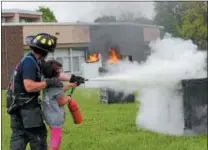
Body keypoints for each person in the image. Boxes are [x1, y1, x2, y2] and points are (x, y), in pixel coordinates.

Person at [6, 33, 85, 150]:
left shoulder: (35, 60)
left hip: (17, 107)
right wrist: (49, 82)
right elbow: (29, 86)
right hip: (26, 110)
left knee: (19, 137)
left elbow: (56, 74)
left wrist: (72, 78)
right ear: (44, 51)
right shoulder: (29, 63)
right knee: (38, 138)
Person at [41, 60, 84, 150]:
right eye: (59, 71)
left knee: (55, 138)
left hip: (48, 115)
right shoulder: (57, 86)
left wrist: (69, 86)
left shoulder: (47, 83)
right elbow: (60, 101)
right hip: (55, 118)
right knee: (56, 140)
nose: (60, 72)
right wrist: (68, 98)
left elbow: (56, 94)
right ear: (56, 74)